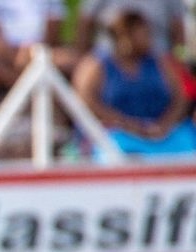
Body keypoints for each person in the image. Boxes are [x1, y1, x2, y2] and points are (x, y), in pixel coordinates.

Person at [73, 10, 196, 157]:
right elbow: (87, 101)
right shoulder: (96, 65)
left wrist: (164, 125)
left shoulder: (160, 62)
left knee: (187, 144)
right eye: (143, 34)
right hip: (117, 134)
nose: (149, 38)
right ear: (126, 36)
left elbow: (181, 97)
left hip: (163, 133)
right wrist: (128, 125)